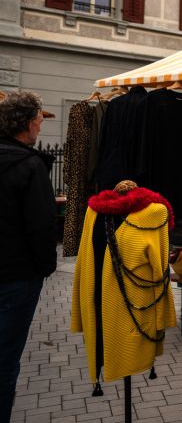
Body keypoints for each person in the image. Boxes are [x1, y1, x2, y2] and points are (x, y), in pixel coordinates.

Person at [0, 91, 57, 422]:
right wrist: (44, 267)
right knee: (6, 360)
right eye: (38, 120)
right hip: (17, 276)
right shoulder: (30, 166)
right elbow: (41, 225)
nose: (40, 126)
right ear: (26, 123)